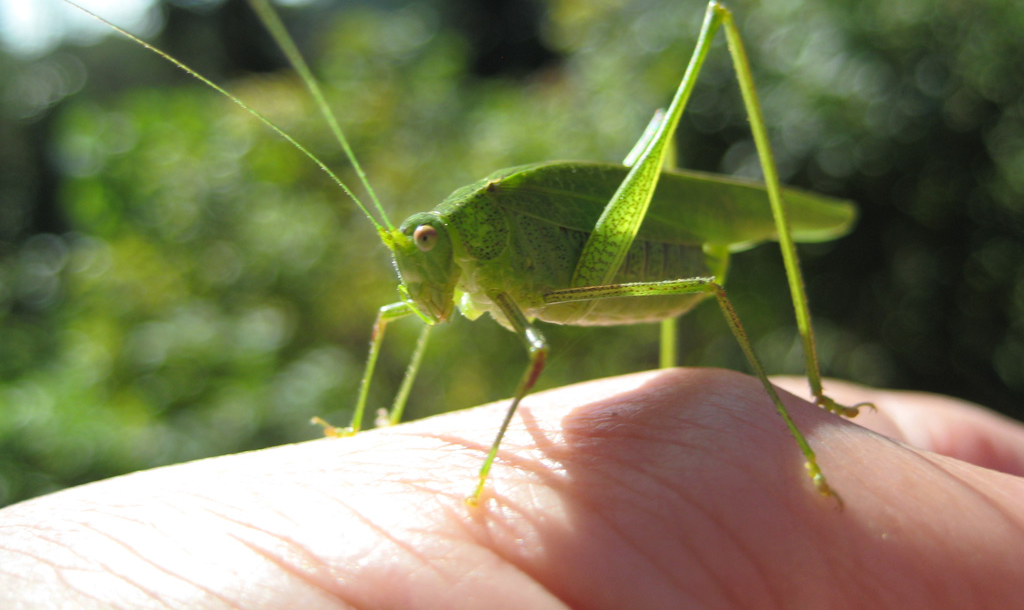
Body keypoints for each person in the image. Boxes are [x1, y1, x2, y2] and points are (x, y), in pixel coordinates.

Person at [1, 368, 1022, 608]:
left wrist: (487, 473)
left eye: (426, 251)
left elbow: (536, 358)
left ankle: (804, 400)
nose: (415, 274)